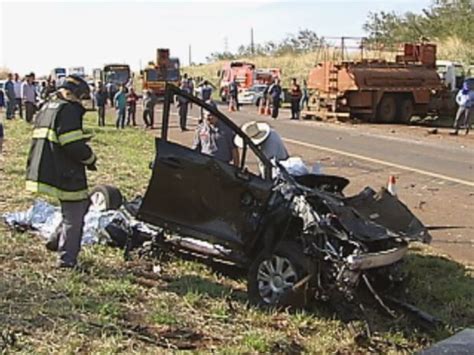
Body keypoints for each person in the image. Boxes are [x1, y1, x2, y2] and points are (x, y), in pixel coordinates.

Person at [25, 75, 97, 268]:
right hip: (64, 170)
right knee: (74, 214)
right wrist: (90, 158)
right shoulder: (68, 110)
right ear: (72, 93)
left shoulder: (48, 106)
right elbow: (71, 144)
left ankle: (55, 240)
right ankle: (67, 260)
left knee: (82, 204)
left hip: (45, 167)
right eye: (81, 96)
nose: (82, 101)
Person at [192, 100, 239, 166]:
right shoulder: (200, 128)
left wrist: (236, 169)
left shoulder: (227, 129)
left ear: (216, 114)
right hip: (205, 164)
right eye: (206, 116)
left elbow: (234, 150)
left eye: (211, 115)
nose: (209, 118)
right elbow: (195, 148)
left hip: (223, 165)